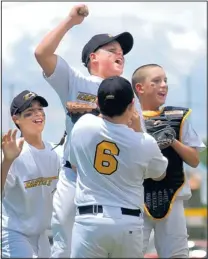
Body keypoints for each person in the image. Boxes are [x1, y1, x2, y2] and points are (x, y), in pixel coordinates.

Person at [34, 4, 145, 257]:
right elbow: (42, 53)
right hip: (75, 176)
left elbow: (140, 141)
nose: (121, 55)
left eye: (122, 52)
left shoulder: (128, 93)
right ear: (92, 57)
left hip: (114, 182)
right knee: (65, 246)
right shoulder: (76, 81)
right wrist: (70, 21)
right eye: (112, 50)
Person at [68, 76, 168, 258]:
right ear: (132, 105)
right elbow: (159, 174)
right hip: (127, 223)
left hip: (89, 220)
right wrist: (138, 130)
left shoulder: (83, 125)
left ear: (98, 102)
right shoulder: (143, 142)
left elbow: (75, 165)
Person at [131, 64, 206, 258]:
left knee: (177, 254)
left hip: (173, 193)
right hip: (136, 196)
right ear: (140, 88)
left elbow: (194, 160)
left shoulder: (178, 118)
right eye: (156, 81)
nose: (163, 85)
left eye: (165, 80)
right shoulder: (128, 118)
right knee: (130, 251)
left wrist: (172, 141)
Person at [1, 90, 61, 258]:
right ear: (16, 119)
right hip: (14, 233)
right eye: (29, 112)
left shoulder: (55, 151)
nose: (38, 114)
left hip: (42, 235)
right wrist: (7, 160)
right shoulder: (13, 151)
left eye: (40, 109)